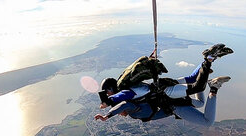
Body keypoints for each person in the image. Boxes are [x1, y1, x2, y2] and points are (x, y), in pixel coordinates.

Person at [94, 44, 233, 126]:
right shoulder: (132, 97)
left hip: (170, 97)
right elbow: (123, 102)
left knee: (200, 95)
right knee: (197, 95)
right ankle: (209, 74)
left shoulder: (129, 100)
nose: (120, 114)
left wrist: (107, 112)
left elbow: (122, 103)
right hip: (166, 90)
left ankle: (209, 61)